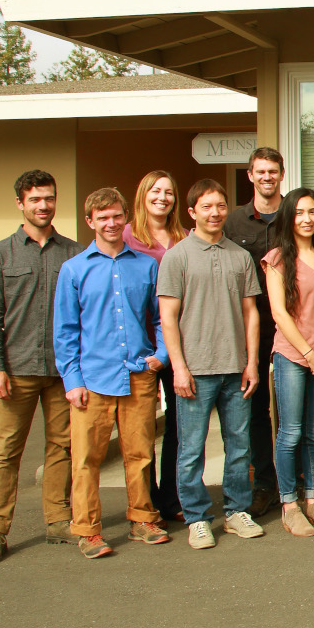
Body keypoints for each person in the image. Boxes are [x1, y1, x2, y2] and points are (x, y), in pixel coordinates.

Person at [0, 170, 85, 565]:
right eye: (35, 199)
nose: (43, 205)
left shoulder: (73, 253)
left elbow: (83, 314)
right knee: (5, 451)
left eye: (49, 198)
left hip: (61, 371)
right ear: (20, 203)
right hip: (16, 369)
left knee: (63, 447)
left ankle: (57, 520)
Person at [53, 186, 170, 558]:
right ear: (90, 222)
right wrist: (72, 381)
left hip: (138, 374)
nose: (111, 223)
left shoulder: (145, 265)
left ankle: (142, 519)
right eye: (102, 217)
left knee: (140, 453)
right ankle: (87, 529)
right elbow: (65, 330)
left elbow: (159, 318)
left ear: (126, 218)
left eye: (117, 216)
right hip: (93, 380)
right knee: (86, 459)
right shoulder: (74, 270)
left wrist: (160, 356)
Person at [160, 179, 265, 550]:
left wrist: (252, 363)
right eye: (206, 206)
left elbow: (251, 314)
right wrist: (179, 367)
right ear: (191, 212)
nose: (215, 212)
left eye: (220, 205)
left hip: (236, 368)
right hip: (195, 370)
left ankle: (236, 512)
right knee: (191, 450)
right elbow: (168, 317)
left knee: (239, 446)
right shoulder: (177, 256)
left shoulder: (240, 256)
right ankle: (197, 518)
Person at [264, 188, 314, 537]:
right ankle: (289, 504)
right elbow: (279, 314)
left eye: (312, 212)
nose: (306, 219)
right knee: (291, 432)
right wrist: (309, 354)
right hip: (292, 357)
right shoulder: (276, 260)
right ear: (288, 217)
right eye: (298, 213)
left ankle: (313, 500)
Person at [222, 146, 285, 515]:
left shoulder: (293, 214)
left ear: (281, 174)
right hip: (253, 329)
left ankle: (302, 486)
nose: (266, 177)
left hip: (293, 327)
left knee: (296, 411)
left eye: (272, 171)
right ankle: (264, 483)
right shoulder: (233, 223)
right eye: (260, 171)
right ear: (250, 175)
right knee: (256, 409)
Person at [122, 170, 187, 523]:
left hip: (179, 344)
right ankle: (143, 500)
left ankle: (171, 498)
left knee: (180, 426)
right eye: (155, 191)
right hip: (141, 348)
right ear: (143, 195)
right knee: (142, 428)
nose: (162, 197)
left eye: (168, 192)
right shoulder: (126, 237)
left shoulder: (183, 237)